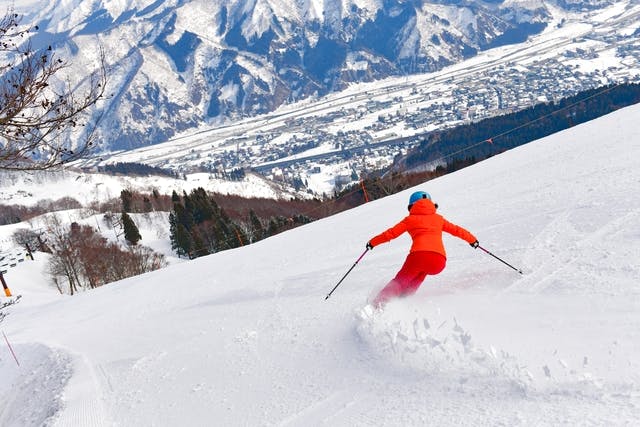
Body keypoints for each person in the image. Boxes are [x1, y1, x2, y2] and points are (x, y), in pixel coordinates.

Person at [366, 190, 479, 307]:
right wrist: (473, 240)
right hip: (439, 261)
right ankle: (403, 302)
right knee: (420, 274)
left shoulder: (409, 220)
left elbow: (390, 234)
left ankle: (376, 305)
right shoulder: (439, 219)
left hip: (418, 256)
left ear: (411, 206)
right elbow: (457, 230)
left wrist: (372, 243)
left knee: (401, 281)